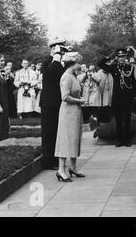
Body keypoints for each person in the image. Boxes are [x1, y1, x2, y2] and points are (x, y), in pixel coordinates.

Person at [54, 52, 85, 182]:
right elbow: (65, 97)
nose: (80, 65)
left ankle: (72, 167)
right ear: (72, 63)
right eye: (78, 63)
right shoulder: (66, 76)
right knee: (65, 139)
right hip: (68, 113)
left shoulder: (73, 76)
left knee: (74, 138)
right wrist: (80, 101)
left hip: (75, 111)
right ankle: (61, 170)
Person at [98, 47, 136, 147]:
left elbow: (134, 82)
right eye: (119, 57)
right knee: (118, 119)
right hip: (117, 97)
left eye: (123, 56)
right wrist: (109, 56)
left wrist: (134, 96)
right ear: (117, 58)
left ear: (126, 57)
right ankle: (119, 140)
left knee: (127, 119)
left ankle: (127, 140)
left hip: (127, 97)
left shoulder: (130, 67)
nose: (121, 59)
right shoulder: (113, 67)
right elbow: (100, 64)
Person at [40, 39, 67, 170]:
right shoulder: (47, 61)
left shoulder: (59, 62)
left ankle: (56, 159)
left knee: (56, 132)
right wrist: (56, 57)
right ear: (53, 48)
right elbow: (50, 73)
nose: (62, 51)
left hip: (57, 101)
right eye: (60, 49)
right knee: (49, 132)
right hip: (48, 103)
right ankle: (48, 161)